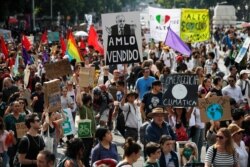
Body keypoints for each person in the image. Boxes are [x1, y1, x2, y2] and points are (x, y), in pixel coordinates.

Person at [78, 92, 96, 167]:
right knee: (85, 154)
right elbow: (79, 102)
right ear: (89, 100)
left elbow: (92, 97)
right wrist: (78, 89)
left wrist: (90, 90)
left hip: (91, 134)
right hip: (86, 135)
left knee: (88, 153)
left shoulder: (90, 108)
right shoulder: (83, 108)